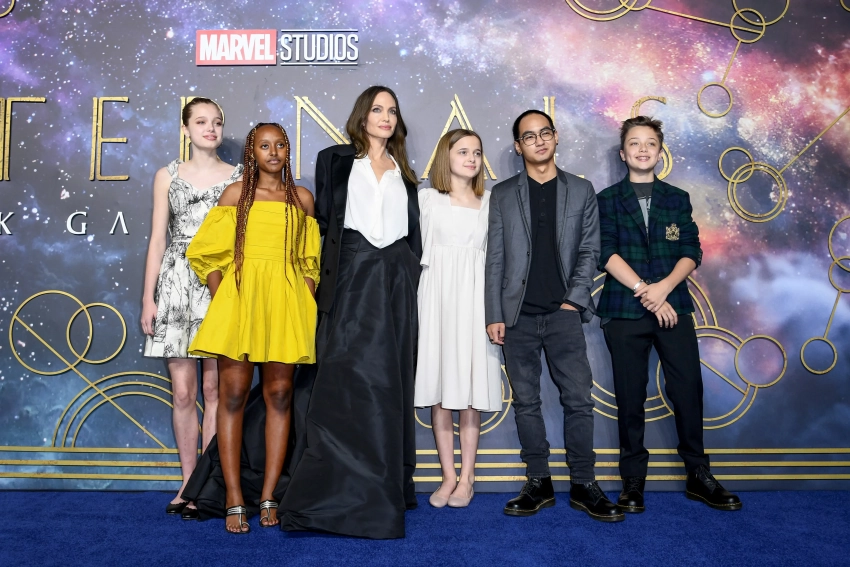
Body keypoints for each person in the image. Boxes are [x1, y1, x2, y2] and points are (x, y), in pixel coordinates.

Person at [278, 86, 421, 539]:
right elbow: (322, 225)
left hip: (395, 281)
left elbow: (412, 234)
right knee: (343, 378)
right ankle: (331, 490)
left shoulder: (405, 172)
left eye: (392, 110)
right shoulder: (335, 160)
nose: (386, 117)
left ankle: (387, 485)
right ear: (362, 116)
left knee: (388, 382)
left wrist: (408, 270)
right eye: (377, 109)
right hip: (350, 277)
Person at [596, 115, 742, 513]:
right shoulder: (607, 199)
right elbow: (605, 252)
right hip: (625, 309)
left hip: (673, 307)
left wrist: (663, 289)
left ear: (660, 153)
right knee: (630, 397)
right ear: (623, 153)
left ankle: (698, 475)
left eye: (650, 143)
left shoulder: (677, 198)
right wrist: (645, 291)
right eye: (634, 143)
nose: (642, 149)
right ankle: (632, 482)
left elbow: (691, 250)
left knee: (687, 390)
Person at [485, 109, 623, 522]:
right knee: (526, 402)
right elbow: (495, 258)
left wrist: (573, 301)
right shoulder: (502, 194)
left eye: (544, 132)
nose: (539, 141)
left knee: (579, 400)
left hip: (564, 313)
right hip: (517, 317)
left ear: (556, 137)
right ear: (518, 146)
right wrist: (494, 313)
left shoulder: (580, 189)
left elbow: (590, 250)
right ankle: (538, 482)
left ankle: (584, 483)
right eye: (529, 136)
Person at [185, 123, 321, 534]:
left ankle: (268, 495)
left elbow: (310, 261)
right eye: (264, 145)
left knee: (279, 394)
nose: (273, 152)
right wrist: (226, 298)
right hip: (240, 304)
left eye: (280, 144)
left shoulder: (302, 199)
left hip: (285, 307)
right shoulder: (235, 195)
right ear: (252, 152)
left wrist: (304, 296)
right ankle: (232, 495)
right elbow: (210, 255)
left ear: (288, 151)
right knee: (232, 396)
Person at [140, 97, 242, 520]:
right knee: (183, 392)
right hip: (176, 284)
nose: (210, 128)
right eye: (201, 122)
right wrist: (148, 297)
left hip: (219, 283)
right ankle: (186, 483)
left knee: (215, 390)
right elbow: (157, 240)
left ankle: (208, 483)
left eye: (216, 122)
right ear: (186, 129)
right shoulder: (167, 175)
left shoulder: (240, 176)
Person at [414, 129, 502, 509]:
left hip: (475, 301)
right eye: (463, 151)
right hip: (436, 300)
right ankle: (448, 476)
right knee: (440, 389)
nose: (471, 159)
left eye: (477, 153)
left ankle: (467, 478)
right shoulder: (427, 200)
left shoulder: (491, 203)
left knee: (469, 390)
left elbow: (497, 260)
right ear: (445, 157)